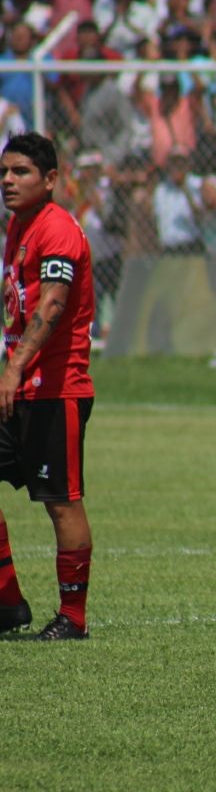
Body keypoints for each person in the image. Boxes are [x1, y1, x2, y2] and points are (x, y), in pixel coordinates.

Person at [0, 132, 96, 640]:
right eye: (4, 173)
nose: (8, 181)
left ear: (51, 179)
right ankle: (8, 602)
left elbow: (52, 306)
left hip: (56, 389)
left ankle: (73, 619)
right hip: (19, 386)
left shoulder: (57, 230)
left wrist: (13, 368)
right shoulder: (19, 225)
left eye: (21, 172)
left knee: (61, 500)